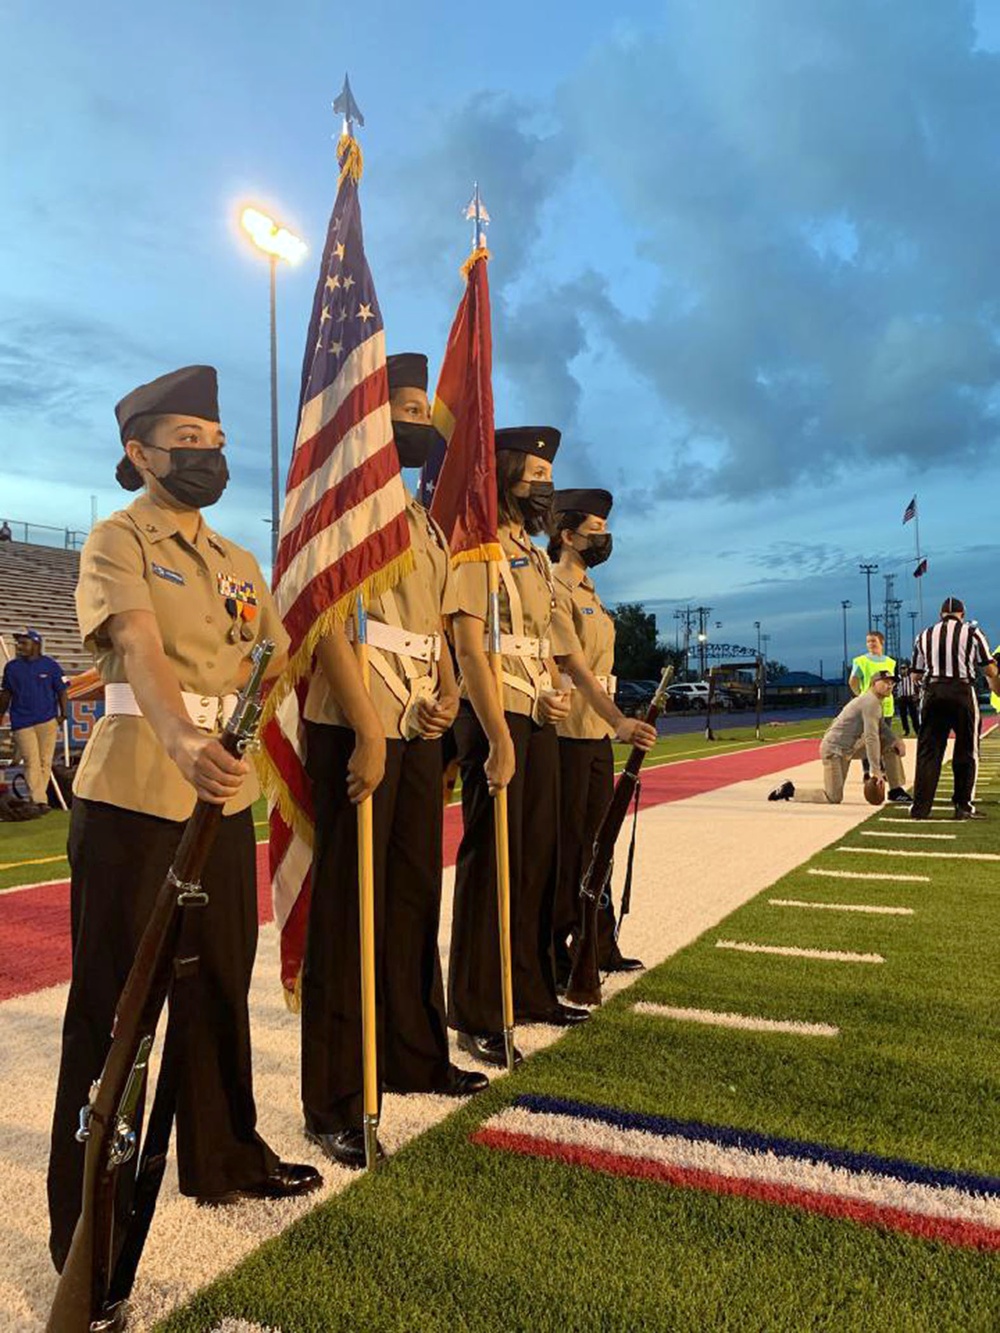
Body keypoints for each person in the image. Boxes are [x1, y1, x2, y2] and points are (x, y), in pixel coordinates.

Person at [47, 366, 320, 1274]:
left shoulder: (240, 562)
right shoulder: (116, 539)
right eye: (187, 442)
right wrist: (182, 737)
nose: (207, 454)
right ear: (140, 452)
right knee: (114, 1006)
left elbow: (274, 652)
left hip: (223, 795)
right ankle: (89, 1210)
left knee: (217, 988)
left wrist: (232, 735)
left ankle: (224, 1156)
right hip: (136, 794)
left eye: (215, 440)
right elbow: (138, 645)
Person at [300, 353, 488, 1171]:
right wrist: (368, 726)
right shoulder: (346, 510)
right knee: (350, 912)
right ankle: (334, 1097)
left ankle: (413, 1051)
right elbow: (327, 622)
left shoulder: (425, 523)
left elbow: (438, 630)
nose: (418, 420)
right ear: (373, 412)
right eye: (402, 405)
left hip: (416, 725)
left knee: (413, 895)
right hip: (356, 725)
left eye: (423, 408)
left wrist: (449, 694)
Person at [448, 426, 589, 1068]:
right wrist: (498, 733)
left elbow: (544, 644)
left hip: (535, 710)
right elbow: (471, 647)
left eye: (547, 473)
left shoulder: (529, 553)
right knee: (492, 864)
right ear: (502, 473)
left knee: (535, 860)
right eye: (532, 472)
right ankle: (477, 1010)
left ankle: (528, 988)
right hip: (495, 714)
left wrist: (556, 691)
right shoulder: (478, 548)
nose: (544, 483)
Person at [547, 489, 657, 983]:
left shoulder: (589, 590)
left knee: (600, 842)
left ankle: (599, 940)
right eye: (594, 531)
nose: (603, 539)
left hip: (594, 733)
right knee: (571, 845)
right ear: (567, 536)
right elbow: (574, 667)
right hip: (570, 729)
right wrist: (619, 720)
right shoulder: (557, 588)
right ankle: (559, 945)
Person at [909, 597, 999, 820]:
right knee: (967, 750)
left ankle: (920, 808)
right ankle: (962, 806)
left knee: (928, 751)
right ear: (962, 614)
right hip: (961, 692)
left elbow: (915, 675)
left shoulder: (924, 635)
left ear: (941, 614)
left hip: (932, 693)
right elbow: (989, 670)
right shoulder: (972, 633)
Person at [768, 670, 909, 804]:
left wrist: (895, 740)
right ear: (873, 684)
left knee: (890, 744)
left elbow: (881, 726)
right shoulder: (870, 702)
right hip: (834, 750)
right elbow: (871, 737)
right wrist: (876, 771)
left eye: (891, 683)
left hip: (849, 747)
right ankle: (790, 791)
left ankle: (896, 790)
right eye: (885, 682)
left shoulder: (875, 701)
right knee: (833, 797)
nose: (889, 685)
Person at [0, 628, 67, 810]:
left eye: (24, 642)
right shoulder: (11, 667)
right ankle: (39, 800)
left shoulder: (51, 665)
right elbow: (6, 694)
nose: (19, 646)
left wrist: (64, 714)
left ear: (36, 644)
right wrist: (0, 714)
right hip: (22, 721)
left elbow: (62, 690)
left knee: (45, 761)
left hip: (47, 720)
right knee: (31, 760)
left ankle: (38, 798)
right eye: (18, 643)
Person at [849, 630, 896, 775]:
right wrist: (860, 696)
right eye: (868, 641)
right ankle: (867, 771)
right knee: (868, 739)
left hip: (886, 706)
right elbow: (853, 681)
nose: (870, 644)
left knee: (883, 740)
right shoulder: (861, 661)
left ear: (881, 642)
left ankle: (881, 769)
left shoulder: (890, 662)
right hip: (868, 707)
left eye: (873, 641)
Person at [895, 659, 921, 737]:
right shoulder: (898, 678)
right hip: (902, 698)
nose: (903, 670)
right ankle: (906, 730)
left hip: (910, 697)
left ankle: (917, 730)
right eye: (902, 669)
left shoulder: (911, 677)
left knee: (914, 715)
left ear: (907, 669)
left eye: (904, 668)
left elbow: (919, 684)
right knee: (903, 716)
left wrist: (917, 695)